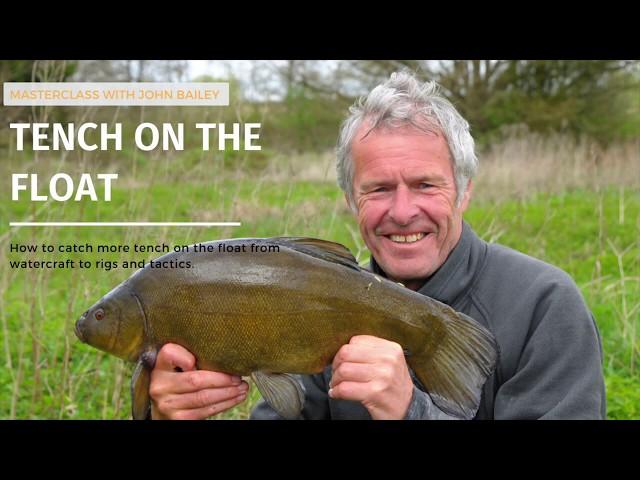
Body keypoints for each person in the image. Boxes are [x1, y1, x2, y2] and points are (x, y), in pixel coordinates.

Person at [149, 71, 606, 420]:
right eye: (379, 189)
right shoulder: (308, 301)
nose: (403, 211)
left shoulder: (545, 305)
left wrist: (411, 410)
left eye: (426, 185)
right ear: (351, 200)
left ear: (465, 191)